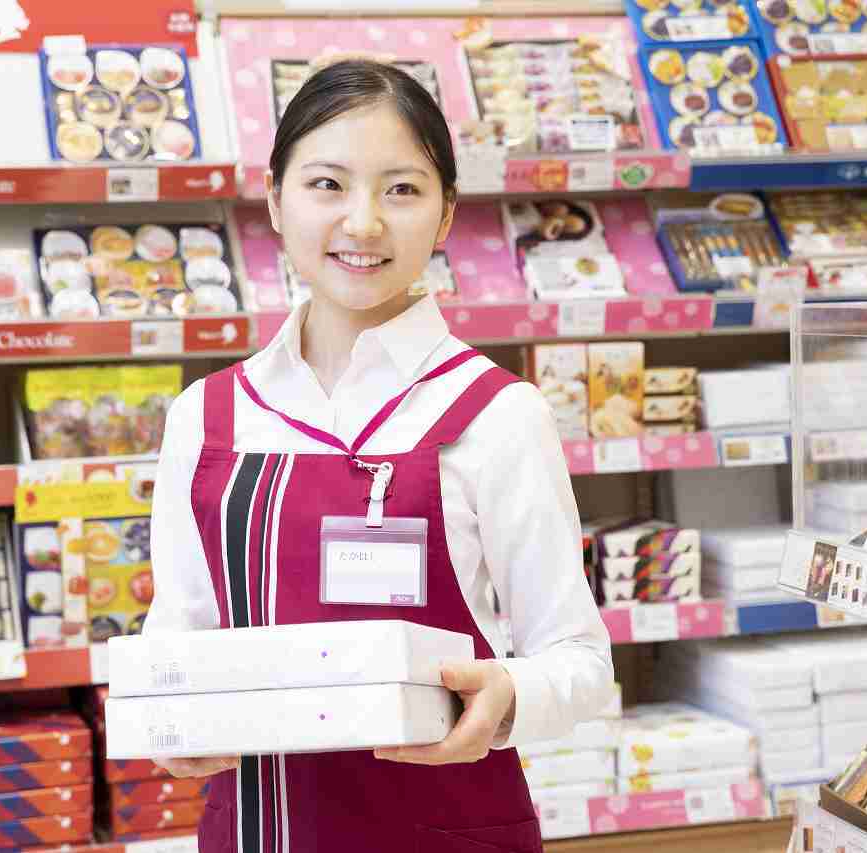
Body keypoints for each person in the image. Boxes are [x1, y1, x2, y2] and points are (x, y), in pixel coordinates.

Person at [145, 59, 613, 853]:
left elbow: (580, 659)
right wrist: (168, 716)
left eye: (401, 189)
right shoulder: (208, 418)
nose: (362, 223)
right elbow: (177, 637)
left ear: (445, 214)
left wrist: (506, 692)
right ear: (275, 200)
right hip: (260, 828)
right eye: (327, 184)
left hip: (448, 828)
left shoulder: (498, 413)